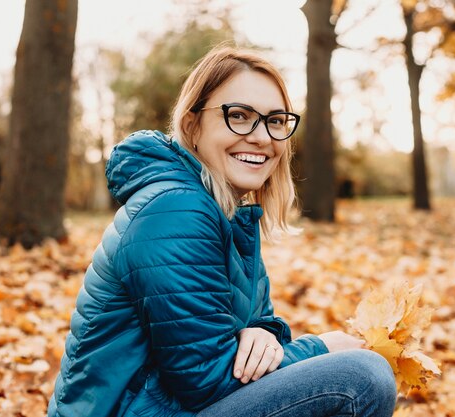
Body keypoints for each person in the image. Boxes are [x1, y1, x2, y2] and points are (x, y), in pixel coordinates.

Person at [48, 45, 396, 417]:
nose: (262, 137)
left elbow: (254, 324)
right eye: (240, 115)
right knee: (360, 375)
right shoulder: (176, 210)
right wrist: (324, 348)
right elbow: (208, 380)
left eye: (276, 120)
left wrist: (264, 332)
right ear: (193, 124)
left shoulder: (226, 214)